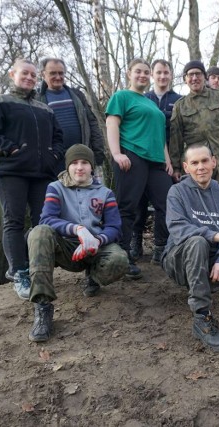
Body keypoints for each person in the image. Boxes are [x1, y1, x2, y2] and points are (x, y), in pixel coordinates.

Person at [0, 58, 64, 300]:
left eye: (33, 75)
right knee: (14, 221)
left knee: (42, 224)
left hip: (41, 174)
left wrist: (54, 155)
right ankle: (19, 272)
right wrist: (10, 149)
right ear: (12, 74)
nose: (29, 78)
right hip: (10, 171)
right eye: (24, 73)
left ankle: (39, 270)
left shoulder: (44, 108)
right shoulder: (0, 102)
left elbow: (59, 136)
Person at [26, 144, 129, 342]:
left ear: (91, 167)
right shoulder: (55, 188)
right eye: (74, 163)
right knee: (38, 232)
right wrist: (77, 229)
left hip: (96, 248)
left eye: (84, 163)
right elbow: (47, 219)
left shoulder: (105, 193)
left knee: (120, 260)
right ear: (68, 167)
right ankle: (43, 306)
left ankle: (94, 276)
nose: (79, 167)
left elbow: (115, 228)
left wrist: (97, 240)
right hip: (66, 247)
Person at [162, 144, 219, 352]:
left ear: (214, 162)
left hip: (208, 257)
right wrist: (217, 236)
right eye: (194, 163)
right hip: (178, 258)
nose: (200, 167)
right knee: (197, 241)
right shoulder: (177, 192)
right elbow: (178, 228)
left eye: (204, 161)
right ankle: (202, 317)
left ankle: (199, 287)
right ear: (186, 167)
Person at [106, 58, 173, 280]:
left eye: (146, 72)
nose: (142, 75)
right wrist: (116, 154)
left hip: (156, 162)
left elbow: (161, 136)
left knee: (167, 204)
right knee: (128, 206)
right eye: (138, 72)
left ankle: (162, 250)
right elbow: (112, 123)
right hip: (132, 156)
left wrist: (168, 161)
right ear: (129, 74)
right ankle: (123, 257)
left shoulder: (152, 104)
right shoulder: (121, 97)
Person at [130, 59, 182, 263]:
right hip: (140, 156)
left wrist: (175, 162)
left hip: (165, 159)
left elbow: (180, 133)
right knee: (138, 202)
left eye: (166, 73)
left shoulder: (178, 100)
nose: (162, 76)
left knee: (165, 201)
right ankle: (136, 242)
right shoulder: (142, 97)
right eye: (158, 72)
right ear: (152, 74)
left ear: (171, 75)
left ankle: (161, 245)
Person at [170, 60, 219, 189]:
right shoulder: (180, 106)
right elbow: (175, 140)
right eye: (190, 75)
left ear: (205, 77)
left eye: (198, 74)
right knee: (199, 203)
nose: (194, 78)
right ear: (185, 79)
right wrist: (176, 167)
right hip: (196, 163)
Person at [37, 58, 106, 173]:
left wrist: (98, 153)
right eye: (53, 73)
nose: (58, 77)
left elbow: (92, 123)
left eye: (61, 73)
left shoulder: (77, 95)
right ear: (43, 74)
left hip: (81, 159)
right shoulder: (37, 100)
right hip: (53, 161)